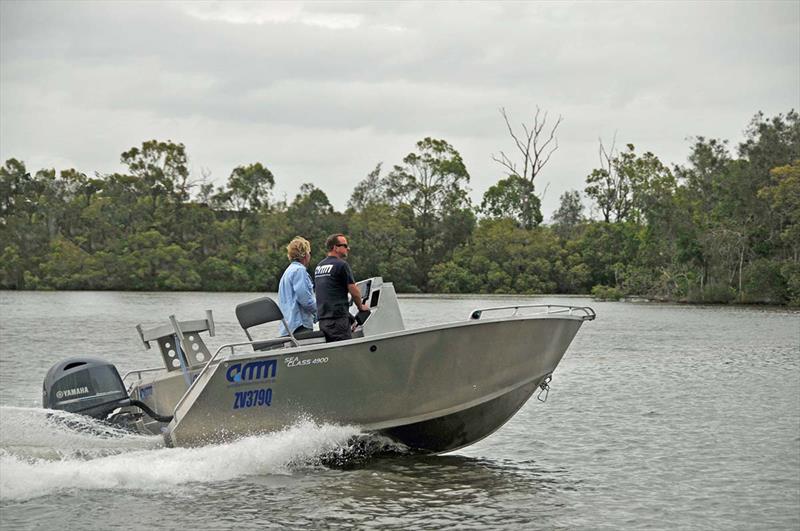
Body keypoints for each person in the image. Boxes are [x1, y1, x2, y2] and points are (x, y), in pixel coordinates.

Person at [314, 233, 368, 342]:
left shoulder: (319, 266)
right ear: (335, 247)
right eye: (345, 245)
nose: (348, 248)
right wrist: (360, 307)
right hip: (338, 321)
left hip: (323, 320)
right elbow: (354, 291)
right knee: (343, 353)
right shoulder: (341, 265)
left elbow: (327, 294)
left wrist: (351, 319)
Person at [277, 236, 317, 337]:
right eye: (309, 252)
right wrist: (321, 311)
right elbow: (305, 300)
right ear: (305, 254)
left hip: (287, 327)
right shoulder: (299, 271)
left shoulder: (287, 272)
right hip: (299, 326)